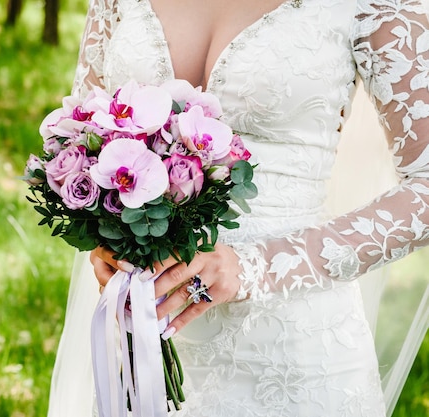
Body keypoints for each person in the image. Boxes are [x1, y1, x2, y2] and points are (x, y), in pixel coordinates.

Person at [47, 0, 429, 416]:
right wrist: (105, 233)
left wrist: (252, 268)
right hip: (140, 336)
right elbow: (82, 128)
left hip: (293, 351)